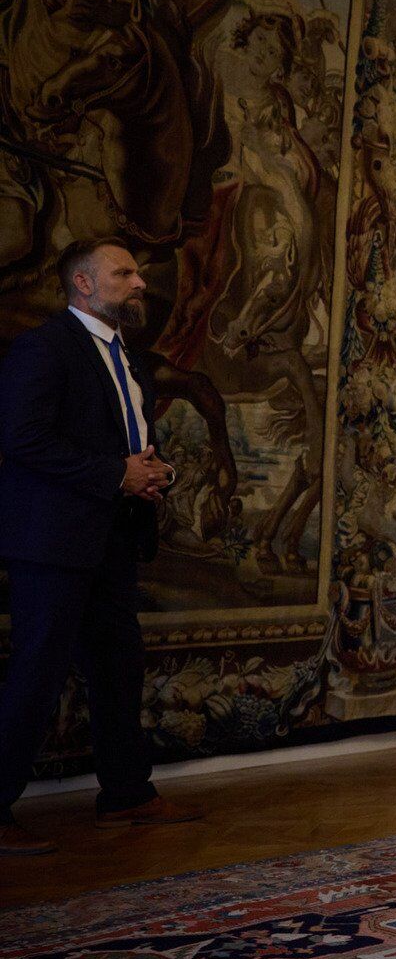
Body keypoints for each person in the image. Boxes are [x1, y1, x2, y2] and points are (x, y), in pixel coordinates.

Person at [0, 238, 202, 854]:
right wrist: (117, 474)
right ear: (84, 284)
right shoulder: (43, 348)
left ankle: (126, 795)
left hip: (114, 539)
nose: (140, 283)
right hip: (54, 542)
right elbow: (23, 439)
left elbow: (128, 438)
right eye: (125, 273)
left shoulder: (130, 359)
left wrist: (153, 469)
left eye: (137, 272)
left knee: (119, 669)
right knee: (37, 672)